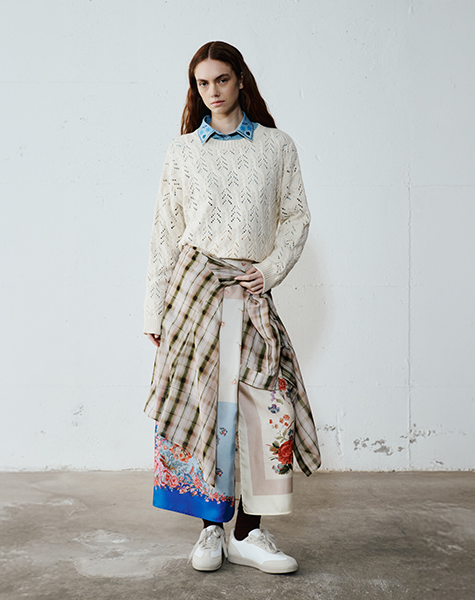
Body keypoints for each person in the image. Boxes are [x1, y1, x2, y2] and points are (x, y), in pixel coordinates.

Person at [143, 41, 321, 574]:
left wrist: (269, 270)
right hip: (193, 294)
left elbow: (296, 217)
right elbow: (165, 233)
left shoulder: (276, 146)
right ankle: (211, 529)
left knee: (265, 409)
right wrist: (154, 311)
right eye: (202, 83)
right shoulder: (182, 152)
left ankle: (249, 531)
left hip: (250, 291)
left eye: (221, 79)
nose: (213, 91)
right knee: (207, 408)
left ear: (240, 79)